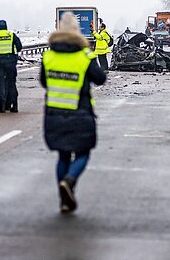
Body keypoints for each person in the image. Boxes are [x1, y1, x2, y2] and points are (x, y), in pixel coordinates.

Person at [41, 12, 106, 213]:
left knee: (62, 156)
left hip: (53, 115)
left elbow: (44, 82)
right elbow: (100, 78)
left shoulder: (49, 56)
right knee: (83, 153)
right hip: (80, 114)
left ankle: (65, 200)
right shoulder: (85, 56)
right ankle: (69, 181)